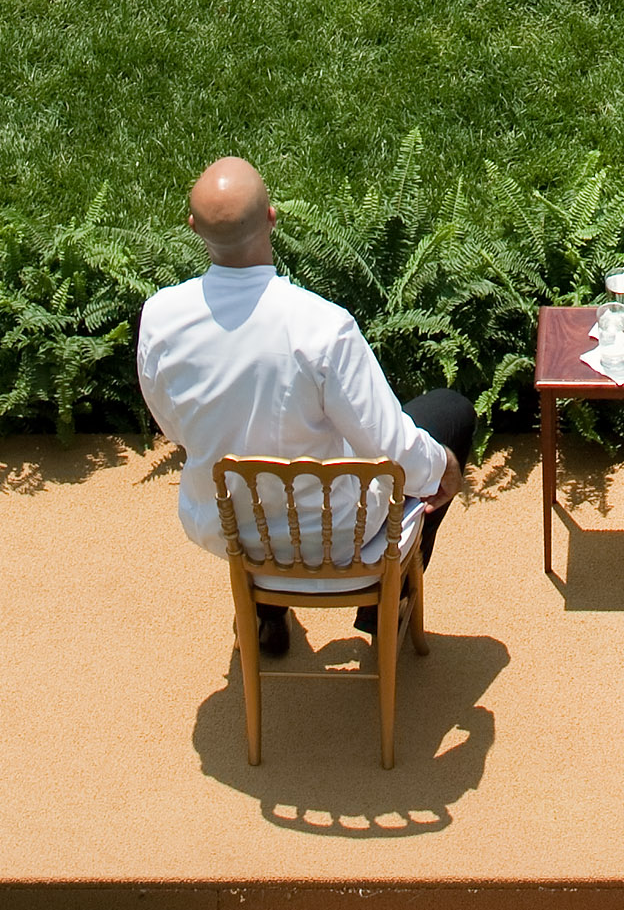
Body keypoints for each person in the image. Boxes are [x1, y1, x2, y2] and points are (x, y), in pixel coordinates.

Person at [134, 153, 473, 642]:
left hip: (233, 531)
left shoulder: (160, 318)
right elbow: (391, 446)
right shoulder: (321, 327)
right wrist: (440, 466)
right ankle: (386, 606)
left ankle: (265, 610)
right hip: (337, 539)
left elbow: (172, 424)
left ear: (193, 227)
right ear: (272, 218)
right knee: (450, 414)